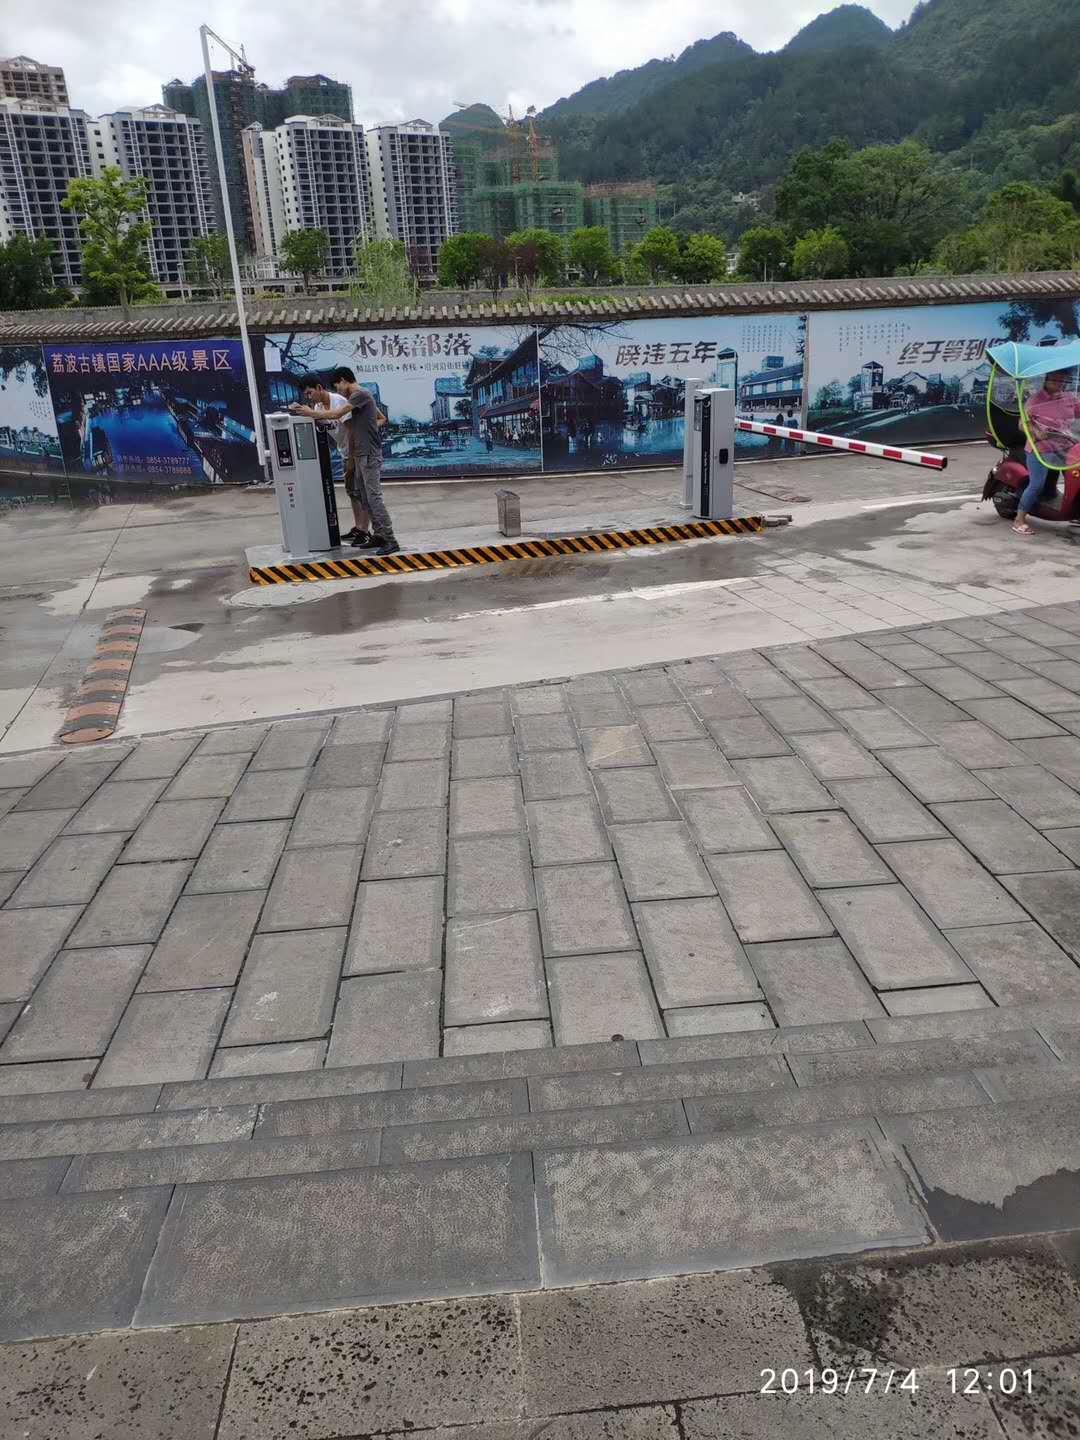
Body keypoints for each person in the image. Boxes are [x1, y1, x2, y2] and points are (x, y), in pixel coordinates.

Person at [329, 366, 398, 555]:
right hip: (360, 453)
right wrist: (366, 427)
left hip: (369, 454)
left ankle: (390, 540)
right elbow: (380, 419)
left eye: (337, 386)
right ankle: (379, 535)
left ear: (343, 380)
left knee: (374, 498)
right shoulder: (358, 397)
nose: (338, 391)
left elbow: (336, 414)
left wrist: (310, 413)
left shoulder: (360, 394)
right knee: (365, 498)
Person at [1013, 368, 1080, 537]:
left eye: (1062, 381)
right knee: (1037, 484)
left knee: (1076, 478)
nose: (1059, 384)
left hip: (1065, 445)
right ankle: (1019, 520)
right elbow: (1022, 424)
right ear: (1046, 380)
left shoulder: (1069, 398)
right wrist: (1036, 431)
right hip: (1041, 448)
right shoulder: (1035, 401)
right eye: (1055, 380)